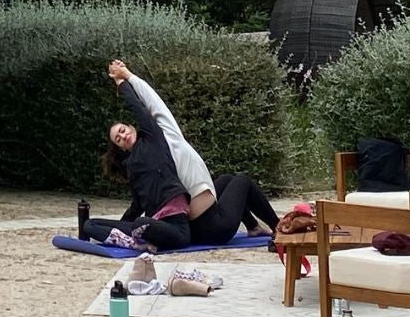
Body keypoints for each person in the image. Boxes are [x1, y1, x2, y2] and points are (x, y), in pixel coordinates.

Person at [81, 64, 278, 250]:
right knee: (242, 181)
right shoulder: (162, 139)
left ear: (133, 128)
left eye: (123, 130)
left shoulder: (153, 144)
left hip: (194, 225)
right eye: (118, 139)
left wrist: (126, 78)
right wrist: (127, 77)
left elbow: (150, 104)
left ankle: (253, 227)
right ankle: (280, 228)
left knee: (227, 180)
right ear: (121, 148)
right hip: (213, 226)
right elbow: (152, 103)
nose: (123, 136)